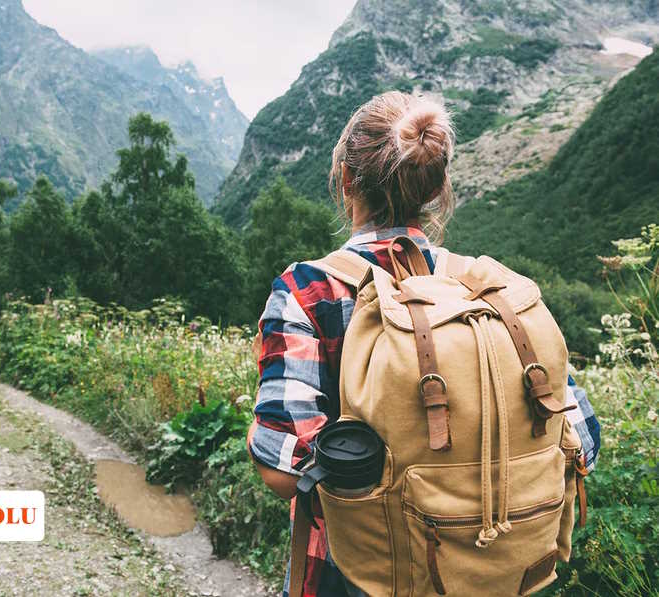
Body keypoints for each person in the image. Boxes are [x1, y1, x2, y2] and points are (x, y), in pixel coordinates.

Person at [246, 91, 601, 596]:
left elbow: (283, 469)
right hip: (492, 572)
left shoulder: (309, 291)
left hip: (355, 575)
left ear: (346, 179)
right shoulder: (486, 291)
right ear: (435, 190)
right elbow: (581, 438)